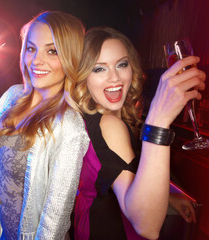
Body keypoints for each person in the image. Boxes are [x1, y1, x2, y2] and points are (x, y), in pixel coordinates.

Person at [0, 11, 89, 239]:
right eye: (31, 48)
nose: (36, 60)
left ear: (72, 57)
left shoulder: (68, 124)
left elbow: (56, 220)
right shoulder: (12, 96)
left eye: (52, 51)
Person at [73, 27, 205, 240]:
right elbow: (147, 226)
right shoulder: (109, 124)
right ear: (83, 75)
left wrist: (168, 198)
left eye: (122, 64)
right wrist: (158, 120)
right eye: (99, 69)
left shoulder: (91, 117)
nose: (114, 78)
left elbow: (110, 181)